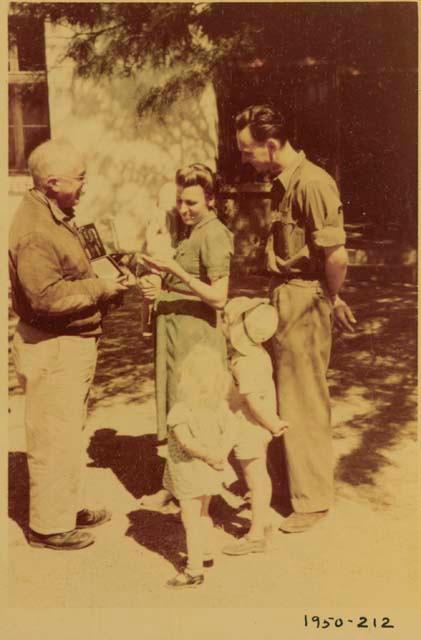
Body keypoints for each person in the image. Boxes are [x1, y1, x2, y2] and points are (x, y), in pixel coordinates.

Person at [235, 105, 356, 533]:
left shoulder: (313, 183)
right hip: (285, 297)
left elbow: (336, 256)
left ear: (271, 145)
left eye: (249, 150)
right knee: (282, 396)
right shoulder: (284, 185)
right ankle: (287, 486)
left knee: (303, 400)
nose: (245, 158)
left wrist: (332, 296)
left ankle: (313, 499)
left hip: (303, 300)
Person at [9, 139, 128, 550]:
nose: (85, 186)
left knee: (67, 434)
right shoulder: (36, 231)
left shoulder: (53, 214)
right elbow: (48, 298)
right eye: (80, 178)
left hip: (67, 344)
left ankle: (63, 507)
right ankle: (48, 527)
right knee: (52, 435)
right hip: (53, 346)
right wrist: (102, 287)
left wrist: (110, 274)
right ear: (53, 181)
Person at [138, 163, 234, 509]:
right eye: (181, 202)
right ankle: (174, 485)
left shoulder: (214, 233)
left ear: (212, 199)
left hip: (197, 337)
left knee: (196, 413)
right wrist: (156, 285)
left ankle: (200, 491)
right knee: (178, 407)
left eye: (192, 202)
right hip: (176, 331)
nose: (184, 209)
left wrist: (174, 270)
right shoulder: (190, 232)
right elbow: (181, 283)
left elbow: (219, 296)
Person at [163, 344, 237, 589]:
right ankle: (206, 553)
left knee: (191, 519)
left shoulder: (180, 410)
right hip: (209, 471)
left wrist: (208, 456)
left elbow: (186, 443)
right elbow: (231, 431)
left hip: (190, 471)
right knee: (204, 512)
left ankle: (193, 570)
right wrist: (220, 455)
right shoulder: (219, 407)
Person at [221, 297, 289, 555]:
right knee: (257, 476)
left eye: (227, 321)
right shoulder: (257, 354)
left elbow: (252, 401)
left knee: (256, 479)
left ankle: (256, 534)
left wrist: (272, 423)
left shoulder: (244, 362)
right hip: (251, 427)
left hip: (250, 428)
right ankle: (262, 520)